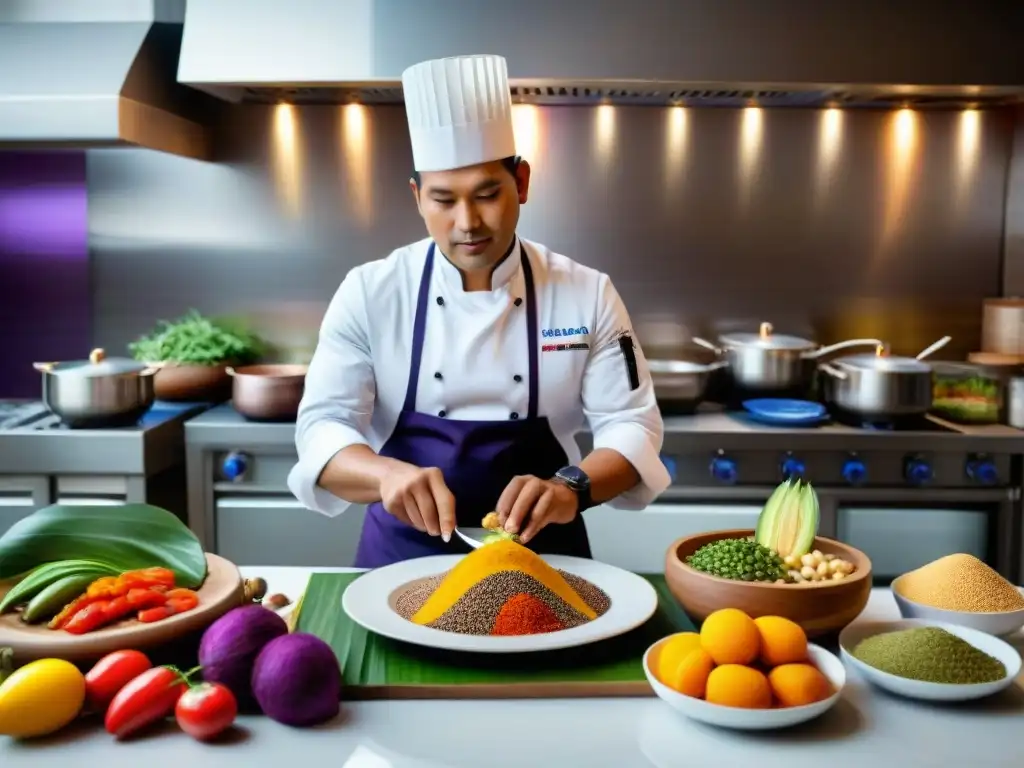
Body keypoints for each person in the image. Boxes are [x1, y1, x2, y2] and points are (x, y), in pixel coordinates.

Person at [287, 53, 670, 568]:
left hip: (544, 558)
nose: (467, 222)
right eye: (443, 200)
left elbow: (632, 426)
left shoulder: (587, 293)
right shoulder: (370, 293)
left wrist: (570, 488)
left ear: (523, 184)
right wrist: (386, 475)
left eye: (487, 194)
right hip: (399, 561)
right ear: (417, 198)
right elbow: (322, 429)